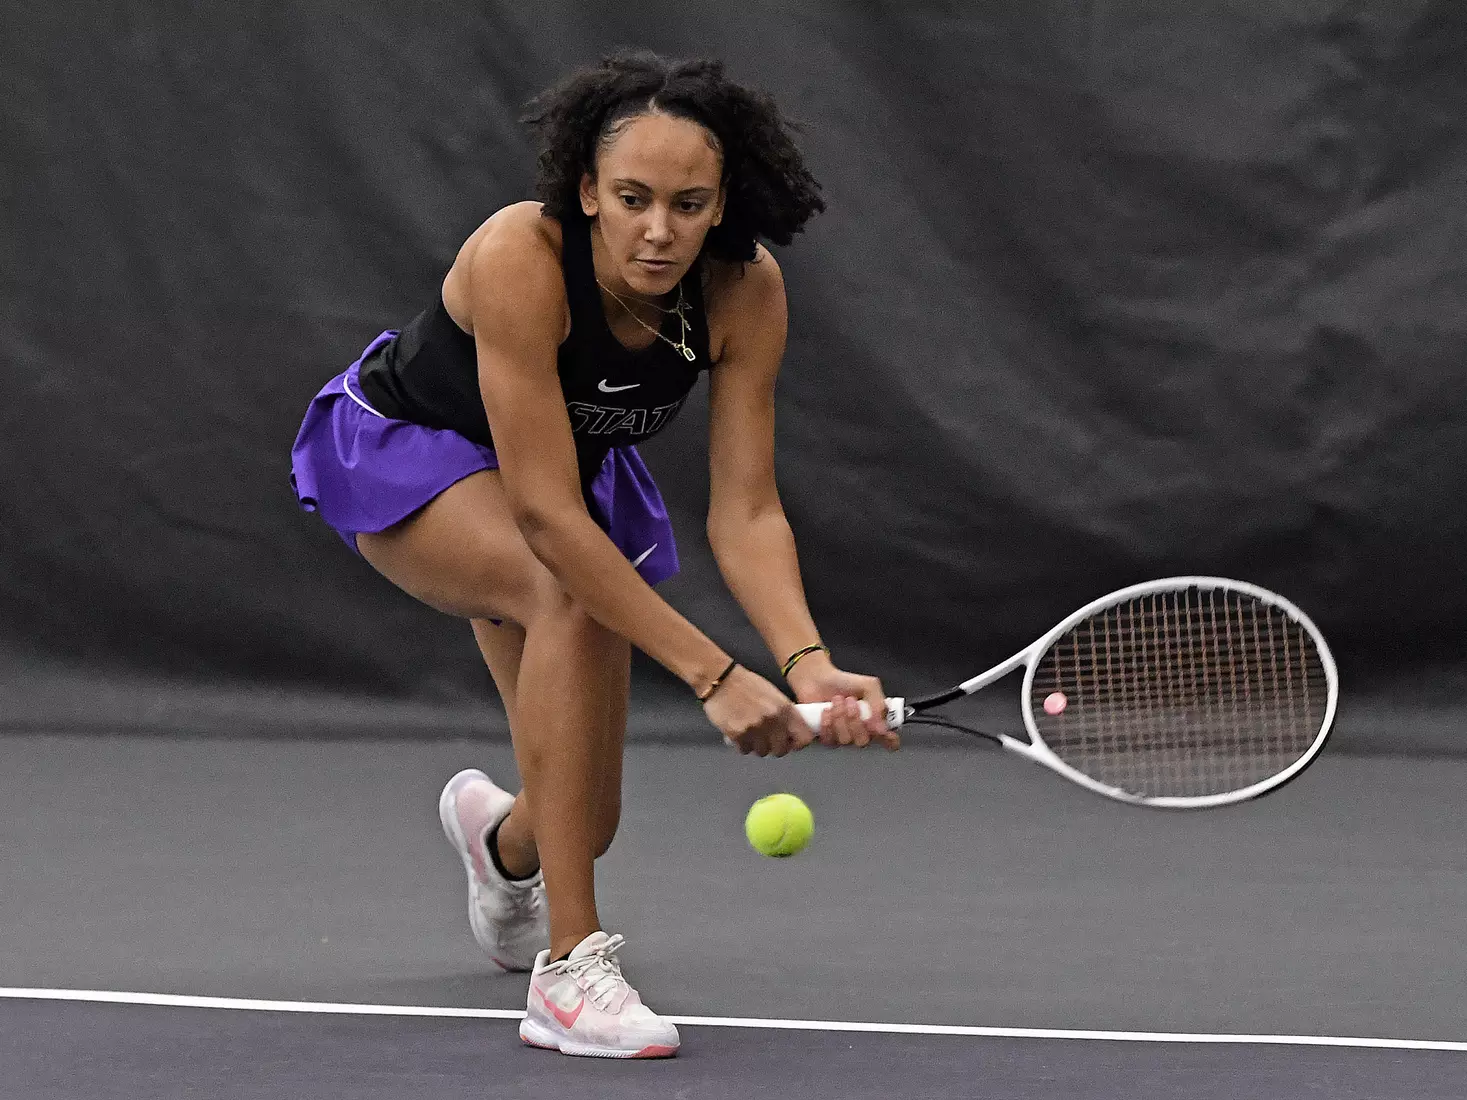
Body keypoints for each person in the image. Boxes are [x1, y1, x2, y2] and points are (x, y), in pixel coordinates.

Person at [289, 50, 898, 1059]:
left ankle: (503, 844)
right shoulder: (518, 258)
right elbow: (545, 519)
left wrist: (804, 661)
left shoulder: (746, 293)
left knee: (584, 813)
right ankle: (568, 970)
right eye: (633, 198)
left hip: (564, 481)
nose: (659, 229)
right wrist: (712, 672)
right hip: (413, 454)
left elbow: (745, 511)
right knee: (561, 592)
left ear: (721, 205)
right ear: (586, 191)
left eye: (689, 203)